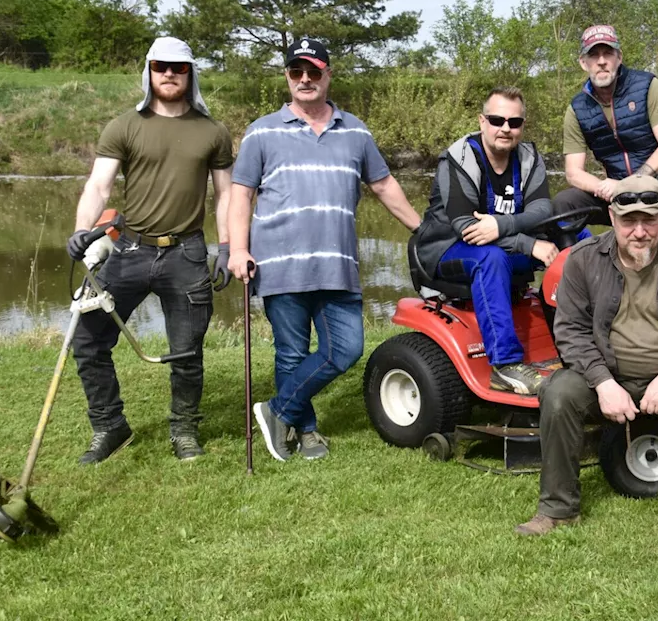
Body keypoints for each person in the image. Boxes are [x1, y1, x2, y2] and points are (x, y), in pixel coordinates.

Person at [515, 175, 658, 558]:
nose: (639, 232)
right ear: (612, 219)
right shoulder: (583, 261)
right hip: (610, 375)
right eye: (628, 221)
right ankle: (558, 509)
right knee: (558, 390)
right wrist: (602, 382)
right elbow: (569, 331)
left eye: (648, 220)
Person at [229, 37, 421, 462]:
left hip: (338, 264)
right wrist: (237, 249)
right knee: (292, 352)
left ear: (328, 75)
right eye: (296, 71)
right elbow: (240, 194)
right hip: (279, 263)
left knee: (346, 349)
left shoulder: (355, 130)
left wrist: (421, 228)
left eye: (313, 71)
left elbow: (384, 185)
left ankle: (278, 410)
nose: (305, 79)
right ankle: (307, 431)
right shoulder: (261, 131)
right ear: (287, 77)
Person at [67, 36, 233, 464]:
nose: (170, 74)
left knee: (187, 350)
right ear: (149, 71)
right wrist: (83, 231)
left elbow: (227, 195)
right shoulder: (124, 126)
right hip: (128, 253)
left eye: (179, 68)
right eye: (161, 66)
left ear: (190, 73)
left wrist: (228, 246)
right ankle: (110, 426)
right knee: (87, 340)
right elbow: (99, 185)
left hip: (188, 255)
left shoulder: (213, 131)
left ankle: (183, 429)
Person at [414, 86, 557, 395]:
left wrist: (502, 225)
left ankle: (577, 339)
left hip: (500, 243)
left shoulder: (529, 158)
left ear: (522, 125)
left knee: (578, 240)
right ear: (482, 121)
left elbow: (543, 209)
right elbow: (467, 228)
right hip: (448, 248)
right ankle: (505, 366)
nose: (505, 128)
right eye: (496, 120)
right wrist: (528, 244)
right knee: (491, 258)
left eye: (514, 122)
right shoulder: (459, 159)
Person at [554, 25, 658, 236]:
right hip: (616, 194)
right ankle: (572, 264)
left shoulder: (647, 85)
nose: (601, 61)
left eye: (608, 53)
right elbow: (573, 172)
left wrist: (634, 182)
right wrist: (604, 187)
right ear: (583, 62)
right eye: (593, 55)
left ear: (619, 57)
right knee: (565, 203)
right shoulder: (576, 108)